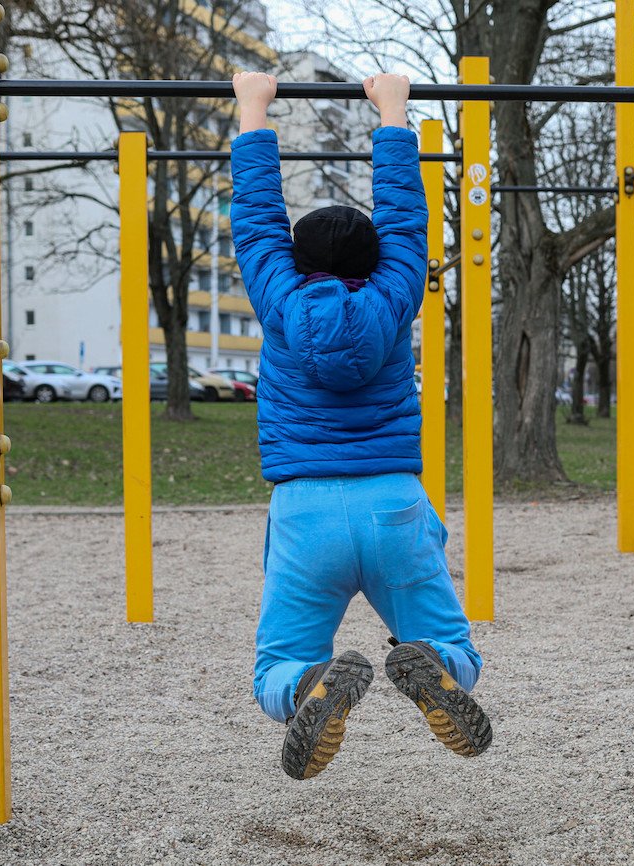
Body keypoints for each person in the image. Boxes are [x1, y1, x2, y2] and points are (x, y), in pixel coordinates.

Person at [229, 70, 492, 781]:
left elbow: (256, 220)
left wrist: (253, 107)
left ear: (292, 263)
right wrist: (394, 111)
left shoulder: (278, 299)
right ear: (382, 266)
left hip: (305, 508)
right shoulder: (396, 295)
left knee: (274, 664)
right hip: (391, 502)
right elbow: (407, 220)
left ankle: (307, 688)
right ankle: (438, 669)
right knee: (450, 640)